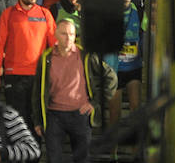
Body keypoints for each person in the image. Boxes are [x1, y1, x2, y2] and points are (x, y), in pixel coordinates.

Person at [31, 20, 117, 163]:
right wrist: (37, 120)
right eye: (64, 34)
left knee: (82, 159)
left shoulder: (85, 55)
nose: (68, 38)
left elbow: (111, 77)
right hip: (54, 116)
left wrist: (94, 103)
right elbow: (37, 91)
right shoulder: (46, 58)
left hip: (80, 114)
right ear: (56, 34)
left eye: (71, 34)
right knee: (54, 159)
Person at [0, 0, 56, 131]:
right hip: (14, 76)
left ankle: (35, 154)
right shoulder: (8, 15)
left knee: (38, 120)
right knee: (17, 121)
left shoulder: (45, 14)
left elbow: (54, 46)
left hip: (39, 76)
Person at [107, 0, 147, 130]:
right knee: (114, 113)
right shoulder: (110, 13)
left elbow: (144, 34)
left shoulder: (139, 11)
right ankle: (113, 153)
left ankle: (136, 151)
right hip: (114, 69)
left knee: (135, 109)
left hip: (133, 68)